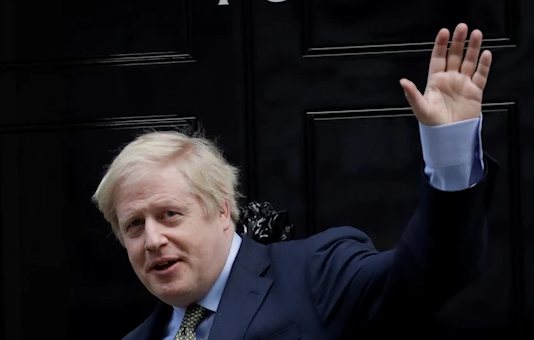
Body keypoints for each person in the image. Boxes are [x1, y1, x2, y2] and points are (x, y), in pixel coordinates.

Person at [92, 23, 498, 340]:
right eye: (134, 225)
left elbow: (435, 272)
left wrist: (450, 151)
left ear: (221, 209)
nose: (153, 239)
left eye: (169, 214)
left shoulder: (316, 274)